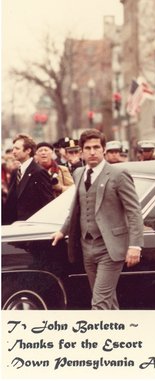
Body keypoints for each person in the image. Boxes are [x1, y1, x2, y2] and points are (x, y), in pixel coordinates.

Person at [51, 129, 144, 310]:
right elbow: (76, 209)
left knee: (99, 303)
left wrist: (135, 245)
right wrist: (62, 231)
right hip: (87, 246)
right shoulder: (78, 173)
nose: (92, 152)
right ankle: (118, 336)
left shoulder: (118, 175)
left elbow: (134, 211)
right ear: (81, 151)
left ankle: (98, 337)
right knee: (106, 300)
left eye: (96, 147)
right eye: (88, 148)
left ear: (103, 150)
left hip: (110, 247)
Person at [2, 134, 55, 225]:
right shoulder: (15, 172)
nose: (13, 152)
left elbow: (47, 202)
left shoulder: (39, 172)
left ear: (28, 150)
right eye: (13, 148)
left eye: (17, 149)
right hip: (14, 225)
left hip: (32, 226)